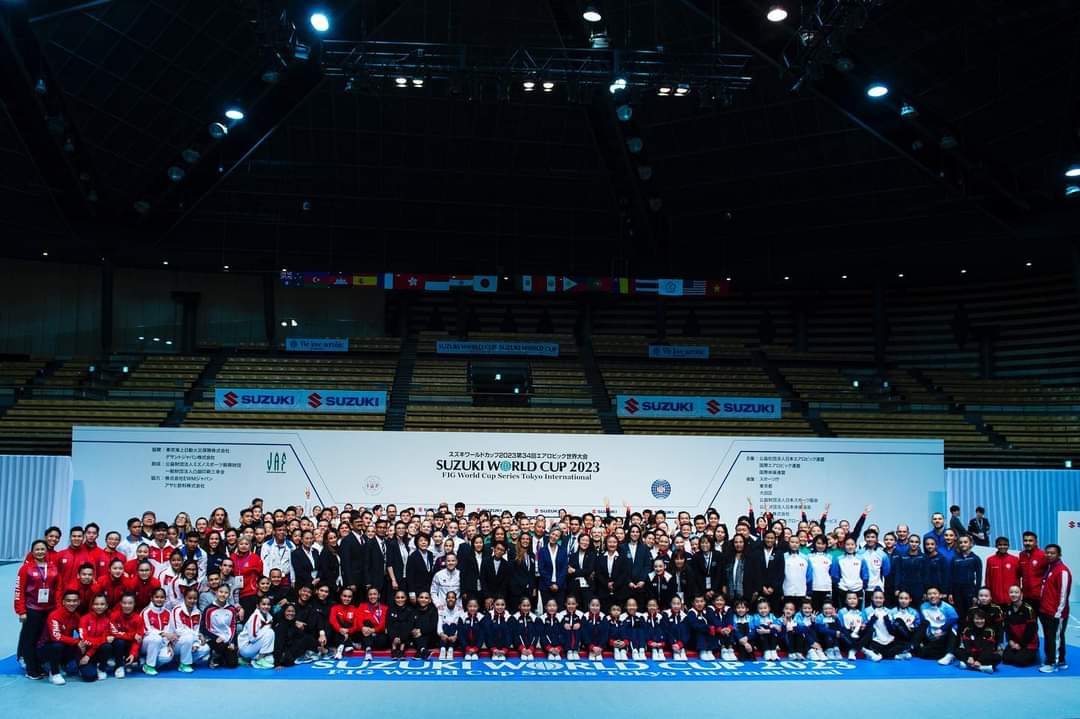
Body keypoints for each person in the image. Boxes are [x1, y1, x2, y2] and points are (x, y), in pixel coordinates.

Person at [15, 539, 57, 679]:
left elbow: (58, 588)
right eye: (37, 549)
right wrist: (21, 611)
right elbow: (19, 590)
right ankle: (31, 669)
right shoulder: (26, 568)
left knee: (42, 640)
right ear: (32, 552)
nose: (40, 552)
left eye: (42, 549)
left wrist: (57, 607)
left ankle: (39, 666)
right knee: (30, 640)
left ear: (46, 552)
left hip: (49, 609)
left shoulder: (52, 567)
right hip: (32, 609)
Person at [1038, 543, 1072, 673]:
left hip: (1056, 613)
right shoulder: (1050, 568)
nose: (1049, 555)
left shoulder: (1062, 571)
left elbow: (1063, 594)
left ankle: (1053, 663)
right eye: (1047, 553)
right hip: (1046, 610)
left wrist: (1058, 612)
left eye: (1052, 553)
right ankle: (1058, 660)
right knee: (1050, 637)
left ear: (1059, 555)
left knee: (1056, 637)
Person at [38, 589, 83, 685]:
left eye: (75, 601)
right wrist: (76, 641)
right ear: (63, 602)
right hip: (46, 648)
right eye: (69, 601)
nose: (72, 603)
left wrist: (84, 643)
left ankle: (62, 664)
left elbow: (82, 633)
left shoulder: (76, 616)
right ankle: (54, 673)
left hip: (64, 646)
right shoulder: (54, 615)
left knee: (79, 647)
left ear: (79, 602)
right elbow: (56, 637)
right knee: (57, 645)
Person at [912, 586, 959, 665]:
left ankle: (950, 653)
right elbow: (924, 622)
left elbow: (954, 618)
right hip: (932, 636)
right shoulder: (923, 606)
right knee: (922, 653)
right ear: (926, 596)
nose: (932, 596)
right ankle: (913, 648)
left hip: (944, 635)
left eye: (935, 593)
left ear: (940, 595)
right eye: (929, 594)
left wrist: (942, 630)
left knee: (954, 626)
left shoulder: (947, 607)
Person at [201, 584, 240, 669]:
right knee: (220, 645)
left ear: (229, 595)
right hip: (214, 639)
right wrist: (215, 637)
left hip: (227, 639)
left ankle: (221, 657)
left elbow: (233, 626)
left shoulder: (231, 609)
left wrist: (232, 642)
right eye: (221, 592)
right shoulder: (209, 609)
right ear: (216, 593)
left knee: (232, 664)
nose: (223, 594)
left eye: (226, 592)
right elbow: (204, 628)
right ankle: (214, 656)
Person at [172, 588, 210, 672]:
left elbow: (196, 630)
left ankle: (181, 660)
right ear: (184, 598)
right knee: (188, 637)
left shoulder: (198, 612)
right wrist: (198, 636)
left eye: (195, 598)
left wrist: (196, 643)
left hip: (191, 640)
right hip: (176, 643)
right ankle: (184, 664)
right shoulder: (177, 610)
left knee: (205, 648)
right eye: (189, 598)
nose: (192, 601)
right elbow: (178, 631)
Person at [140, 587, 175, 675]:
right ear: (152, 598)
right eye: (157, 597)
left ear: (165, 599)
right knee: (156, 638)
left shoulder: (168, 613)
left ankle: (146, 663)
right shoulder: (146, 612)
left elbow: (170, 631)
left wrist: (169, 645)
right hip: (147, 643)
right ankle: (149, 666)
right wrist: (162, 634)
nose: (159, 599)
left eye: (162, 597)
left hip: (162, 643)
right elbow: (146, 630)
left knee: (167, 657)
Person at [1002, 585, 1039, 667]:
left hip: (1028, 643)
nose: (1013, 594)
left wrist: (1021, 644)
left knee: (1019, 661)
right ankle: (1019, 652)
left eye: (1016, 592)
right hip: (1015, 642)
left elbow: (1031, 630)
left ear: (1021, 594)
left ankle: (1034, 653)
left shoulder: (1028, 609)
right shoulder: (1008, 608)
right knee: (1006, 659)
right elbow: (1007, 628)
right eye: (1011, 592)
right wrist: (1010, 641)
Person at [955, 609, 1000, 673]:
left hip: (984, 655)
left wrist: (980, 661)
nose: (979, 621)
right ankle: (982, 668)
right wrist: (970, 657)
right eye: (977, 619)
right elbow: (967, 645)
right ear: (973, 620)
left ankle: (969, 666)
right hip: (971, 655)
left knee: (997, 657)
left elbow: (988, 649)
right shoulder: (967, 630)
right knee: (957, 651)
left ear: (985, 619)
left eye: (982, 619)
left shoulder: (990, 631)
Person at [238, 595, 276, 669]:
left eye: (268, 604)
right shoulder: (255, 617)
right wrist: (266, 629)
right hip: (246, 647)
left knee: (271, 660)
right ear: (258, 606)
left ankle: (249, 659)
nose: (266, 606)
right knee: (270, 632)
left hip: (254, 646)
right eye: (263, 604)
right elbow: (252, 638)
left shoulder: (269, 617)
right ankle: (259, 659)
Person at [538, 527, 568, 609]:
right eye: (553, 534)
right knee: (547, 611)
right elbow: (541, 569)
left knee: (560, 611)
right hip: (546, 586)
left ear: (559, 538)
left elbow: (564, 569)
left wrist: (557, 584)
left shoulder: (563, 551)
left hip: (560, 586)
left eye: (557, 536)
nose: (554, 537)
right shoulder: (542, 550)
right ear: (549, 534)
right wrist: (550, 584)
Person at [985, 536, 1020, 608]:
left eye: (1005, 545)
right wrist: (988, 595)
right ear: (996, 546)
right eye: (1000, 545)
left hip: (1011, 598)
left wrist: (1018, 594)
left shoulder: (1015, 560)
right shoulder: (990, 560)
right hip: (996, 598)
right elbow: (988, 579)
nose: (1002, 547)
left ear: (1008, 546)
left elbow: (1018, 578)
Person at [329, 587, 361, 658]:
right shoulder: (334, 608)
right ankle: (349, 644)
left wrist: (348, 631)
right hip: (338, 632)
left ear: (352, 598)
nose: (346, 599)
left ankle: (341, 646)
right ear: (341, 596)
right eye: (344, 596)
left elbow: (356, 626)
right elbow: (332, 621)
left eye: (349, 597)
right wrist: (340, 630)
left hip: (350, 633)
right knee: (337, 623)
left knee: (347, 624)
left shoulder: (355, 609)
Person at [1018, 531, 1046, 606]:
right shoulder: (1021, 555)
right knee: (1028, 617)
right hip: (1026, 596)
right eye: (1025, 540)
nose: (1027, 543)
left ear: (1036, 542)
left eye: (1030, 541)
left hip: (1040, 597)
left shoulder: (1043, 555)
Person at [411, 591, 440, 660]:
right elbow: (411, 625)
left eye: (426, 598)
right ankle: (424, 651)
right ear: (417, 599)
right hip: (416, 637)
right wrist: (414, 630)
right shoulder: (413, 610)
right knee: (415, 634)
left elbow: (432, 627)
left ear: (430, 600)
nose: (423, 599)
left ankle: (420, 652)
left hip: (430, 639)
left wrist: (420, 631)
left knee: (422, 635)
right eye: (421, 597)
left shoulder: (433, 611)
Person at [387, 590, 414, 659]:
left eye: (402, 597)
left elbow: (409, 626)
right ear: (394, 598)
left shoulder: (410, 610)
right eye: (398, 597)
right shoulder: (390, 609)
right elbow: (389, 625)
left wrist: (402, 638)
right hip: (393, 637)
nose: (400, 600)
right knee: (396, 624)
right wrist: (394, 637)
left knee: (404, 624)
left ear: (406, 598)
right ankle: (394, 648)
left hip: (405, 637)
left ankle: (402, 649)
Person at [438, 592, 464, 659]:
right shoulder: (441, 609)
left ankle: (450, 649)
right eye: (449, 597)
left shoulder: (460, 610)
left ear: (456, 599)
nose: (450, 599)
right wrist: (441, 634)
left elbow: (460, 626)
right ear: (446, 599)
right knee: (446, 625)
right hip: (444, 635)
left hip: (454, 636)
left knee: (453, 625)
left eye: (452, 597)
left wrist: (456, 635)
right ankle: (443, 649)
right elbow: (439, 623)